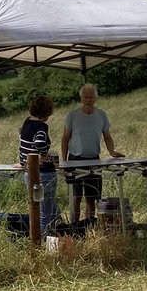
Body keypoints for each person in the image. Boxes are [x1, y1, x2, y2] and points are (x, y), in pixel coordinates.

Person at [60, 84, 123, 221]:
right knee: (76, 197)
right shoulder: (72, 115)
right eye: (85, 97)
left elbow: (107, 136)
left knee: (91, 198)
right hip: (74, 159)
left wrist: (112, 151)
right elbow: (65, 138)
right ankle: (75, 226)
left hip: (94, 160)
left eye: (91, 97)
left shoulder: (101, 115)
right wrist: (64, 160)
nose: (88, 100)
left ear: (95, 98)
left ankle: (89, 225)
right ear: (81, 98)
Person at [18, 95, 59, 232]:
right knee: (45, 215)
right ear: (46, 112)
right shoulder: (42, 126)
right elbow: (40, 142)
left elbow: (24, 145)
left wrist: (23, 160)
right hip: (44, 173)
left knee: (42, 209)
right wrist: (43, 154)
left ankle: (53, 236)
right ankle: (42, 242)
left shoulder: (26, 123)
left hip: (28, 172)